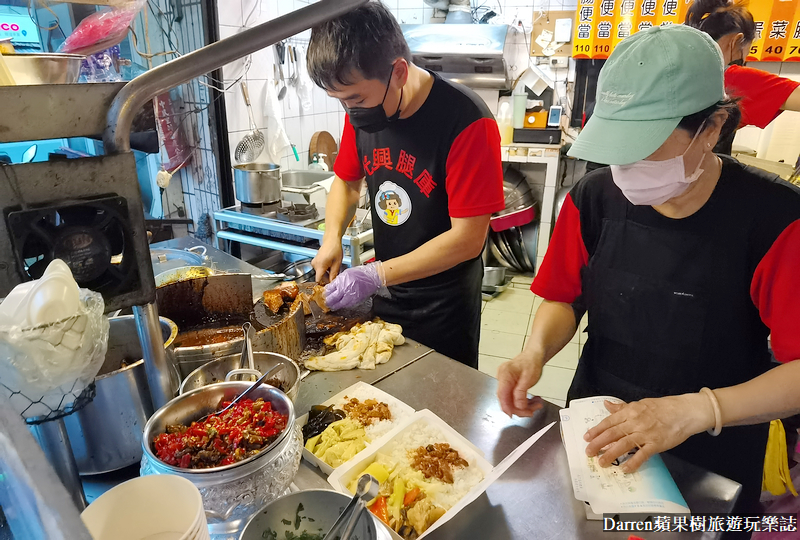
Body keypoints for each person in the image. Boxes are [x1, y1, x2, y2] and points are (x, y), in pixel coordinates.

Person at [495, 24, 800, 520]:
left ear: (713, 127)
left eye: (646, 144)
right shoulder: (594, 198)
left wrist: (701, 409)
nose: (626, 166)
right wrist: (535, 352)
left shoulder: (776, 221)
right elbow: (563, 297)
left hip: (711, 454)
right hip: (600, 435)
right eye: (617, 145)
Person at [306, 2, 505, 368]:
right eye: (341, 101)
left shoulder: (467, 122)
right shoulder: (364, 112)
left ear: (398, 72)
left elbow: (468, 238)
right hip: (386, 291)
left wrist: (376, 273)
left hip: (443, 306)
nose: (350, 111)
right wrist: (332, 237)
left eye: (355, 99)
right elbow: (347, 181)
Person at [686, 0, 800, 154]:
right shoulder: (733, 77)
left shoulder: (677, 71)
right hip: (697, 167)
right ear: (737, 41)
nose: (745, 57)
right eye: (748, 49)